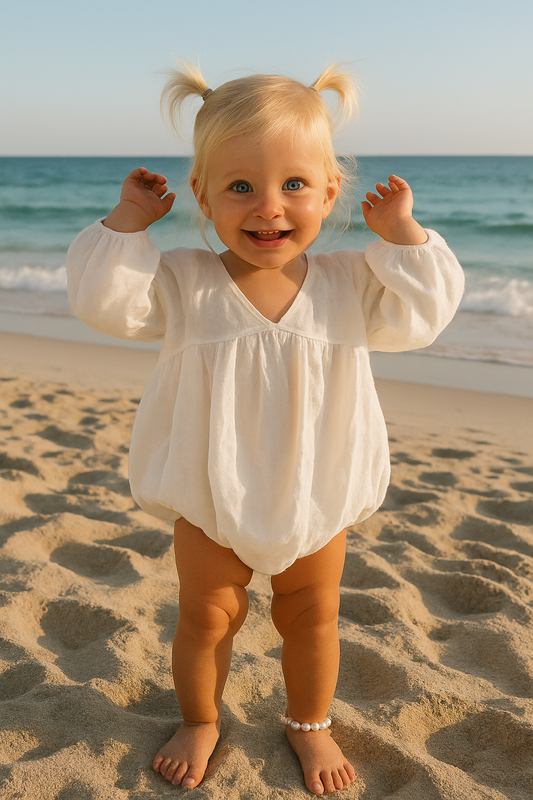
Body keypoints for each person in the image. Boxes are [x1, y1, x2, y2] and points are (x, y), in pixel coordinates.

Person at [66, 61, 464, 795]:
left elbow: (423, 318)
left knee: (312, 618)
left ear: (329, 191)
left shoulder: (350, 282)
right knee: (205, 617)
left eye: (293, 185)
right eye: (240, 186)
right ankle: (200, 717)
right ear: (202, 196)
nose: (267, 207)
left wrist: (403, 236)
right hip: (209, 492)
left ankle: (309, 725)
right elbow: (104, 304)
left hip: (315, 494)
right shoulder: (185, 279)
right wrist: (126, 223)